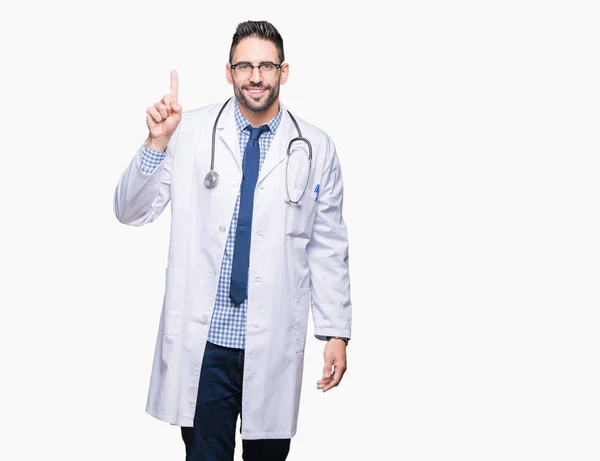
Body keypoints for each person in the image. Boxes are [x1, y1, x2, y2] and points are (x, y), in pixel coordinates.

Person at [113, 20, 352, 461]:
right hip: (205, 346)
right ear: (229, 72)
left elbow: (328, 246)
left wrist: (335, 332)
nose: (255, 77)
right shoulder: (188, 130)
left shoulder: (316, 147)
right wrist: (155, 142)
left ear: (284, 71)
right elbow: (129, 211)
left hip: (274, 336)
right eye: (245, 66)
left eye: (266, 66)